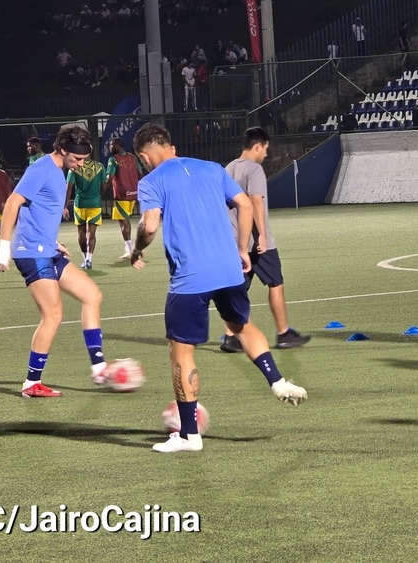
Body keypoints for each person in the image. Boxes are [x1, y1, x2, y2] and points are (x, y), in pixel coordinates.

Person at [129, 123, 308, 453]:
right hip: (228, 268)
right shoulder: (212, 168)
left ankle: (189, 435)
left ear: (144, 156)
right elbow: (245, 204)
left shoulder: (151, 181)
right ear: (170, 145)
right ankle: (278, 381)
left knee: (181, 351)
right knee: (241, 326)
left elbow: (150, 225)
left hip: (190, 278)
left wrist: (137, 248)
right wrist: (242, 248)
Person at [0, 125, 107, 398]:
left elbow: (38, 212)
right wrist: (3, 248)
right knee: (53, 315)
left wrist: (53, 241)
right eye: (77, 159)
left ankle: (99, 368)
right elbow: (13, 203)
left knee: (92, 295)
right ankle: (32, 383)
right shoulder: (41, 169)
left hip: (46, 248)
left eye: (85, 159)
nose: (81, 164)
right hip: (31, 252)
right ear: (63, 150)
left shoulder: (58, 171)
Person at [220, 127, 312, 353]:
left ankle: (231, 337)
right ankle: (283, 333)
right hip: (257, 243)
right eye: (266, 149)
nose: (266, 154)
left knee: (236, 288)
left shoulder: (227, 169)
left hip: (234, 241)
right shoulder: (254, 169)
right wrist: (261, 234)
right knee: (275, 283)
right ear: (257, 146)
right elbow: (255, 201)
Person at [63, 150, 106, 270]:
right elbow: (104, 187)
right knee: (91, 232)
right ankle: (89, 259)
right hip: (95, 203)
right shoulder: (100, 166)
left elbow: (68, 187)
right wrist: (97, 195)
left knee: (81, 232)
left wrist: (65, 206)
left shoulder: (75, 167)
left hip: (80, 203)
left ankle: (84, 258)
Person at [105, 137, 144, 260]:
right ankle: (133, 248)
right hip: (133, 193)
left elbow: (110, 178)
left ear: (117, 146)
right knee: (126, 220)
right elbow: (141, 174)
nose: (110, 147)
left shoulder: (113, 159)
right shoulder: (133, 157)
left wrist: (101, 190)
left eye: (111, 145)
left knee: (123, 221)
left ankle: (130, 250)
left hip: (121, 195)